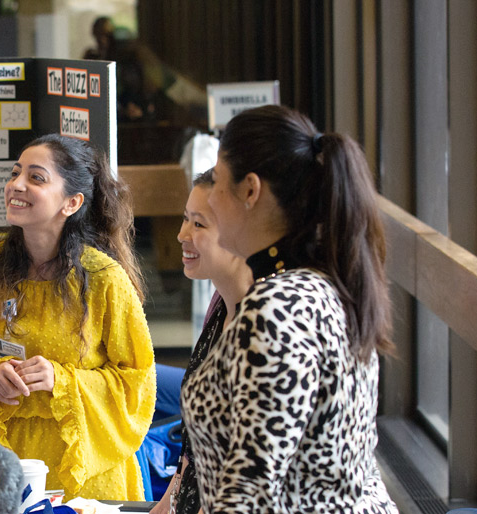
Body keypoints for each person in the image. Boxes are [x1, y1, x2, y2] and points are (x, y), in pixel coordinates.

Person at [181, 105, 397, 512]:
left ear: (250, 190)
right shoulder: (319, 283)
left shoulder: (276, 306)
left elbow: (252, 490)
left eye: (219, 183)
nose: (211, 198)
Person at [0, 134, 157, 501]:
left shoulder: (104, 279)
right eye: (15, 173)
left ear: (72, 202)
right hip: (4, 459)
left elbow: (138, 384)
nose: (16, 185)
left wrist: (60, 380)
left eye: (36, 178)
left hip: (84, 468)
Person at [149, 169, 251, 514]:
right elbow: (195, 445)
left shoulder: (270, 322)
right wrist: (166, 504)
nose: (181, 235)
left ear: (241, 232)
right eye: (184, 220)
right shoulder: (220, 305)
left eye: (199, 224)